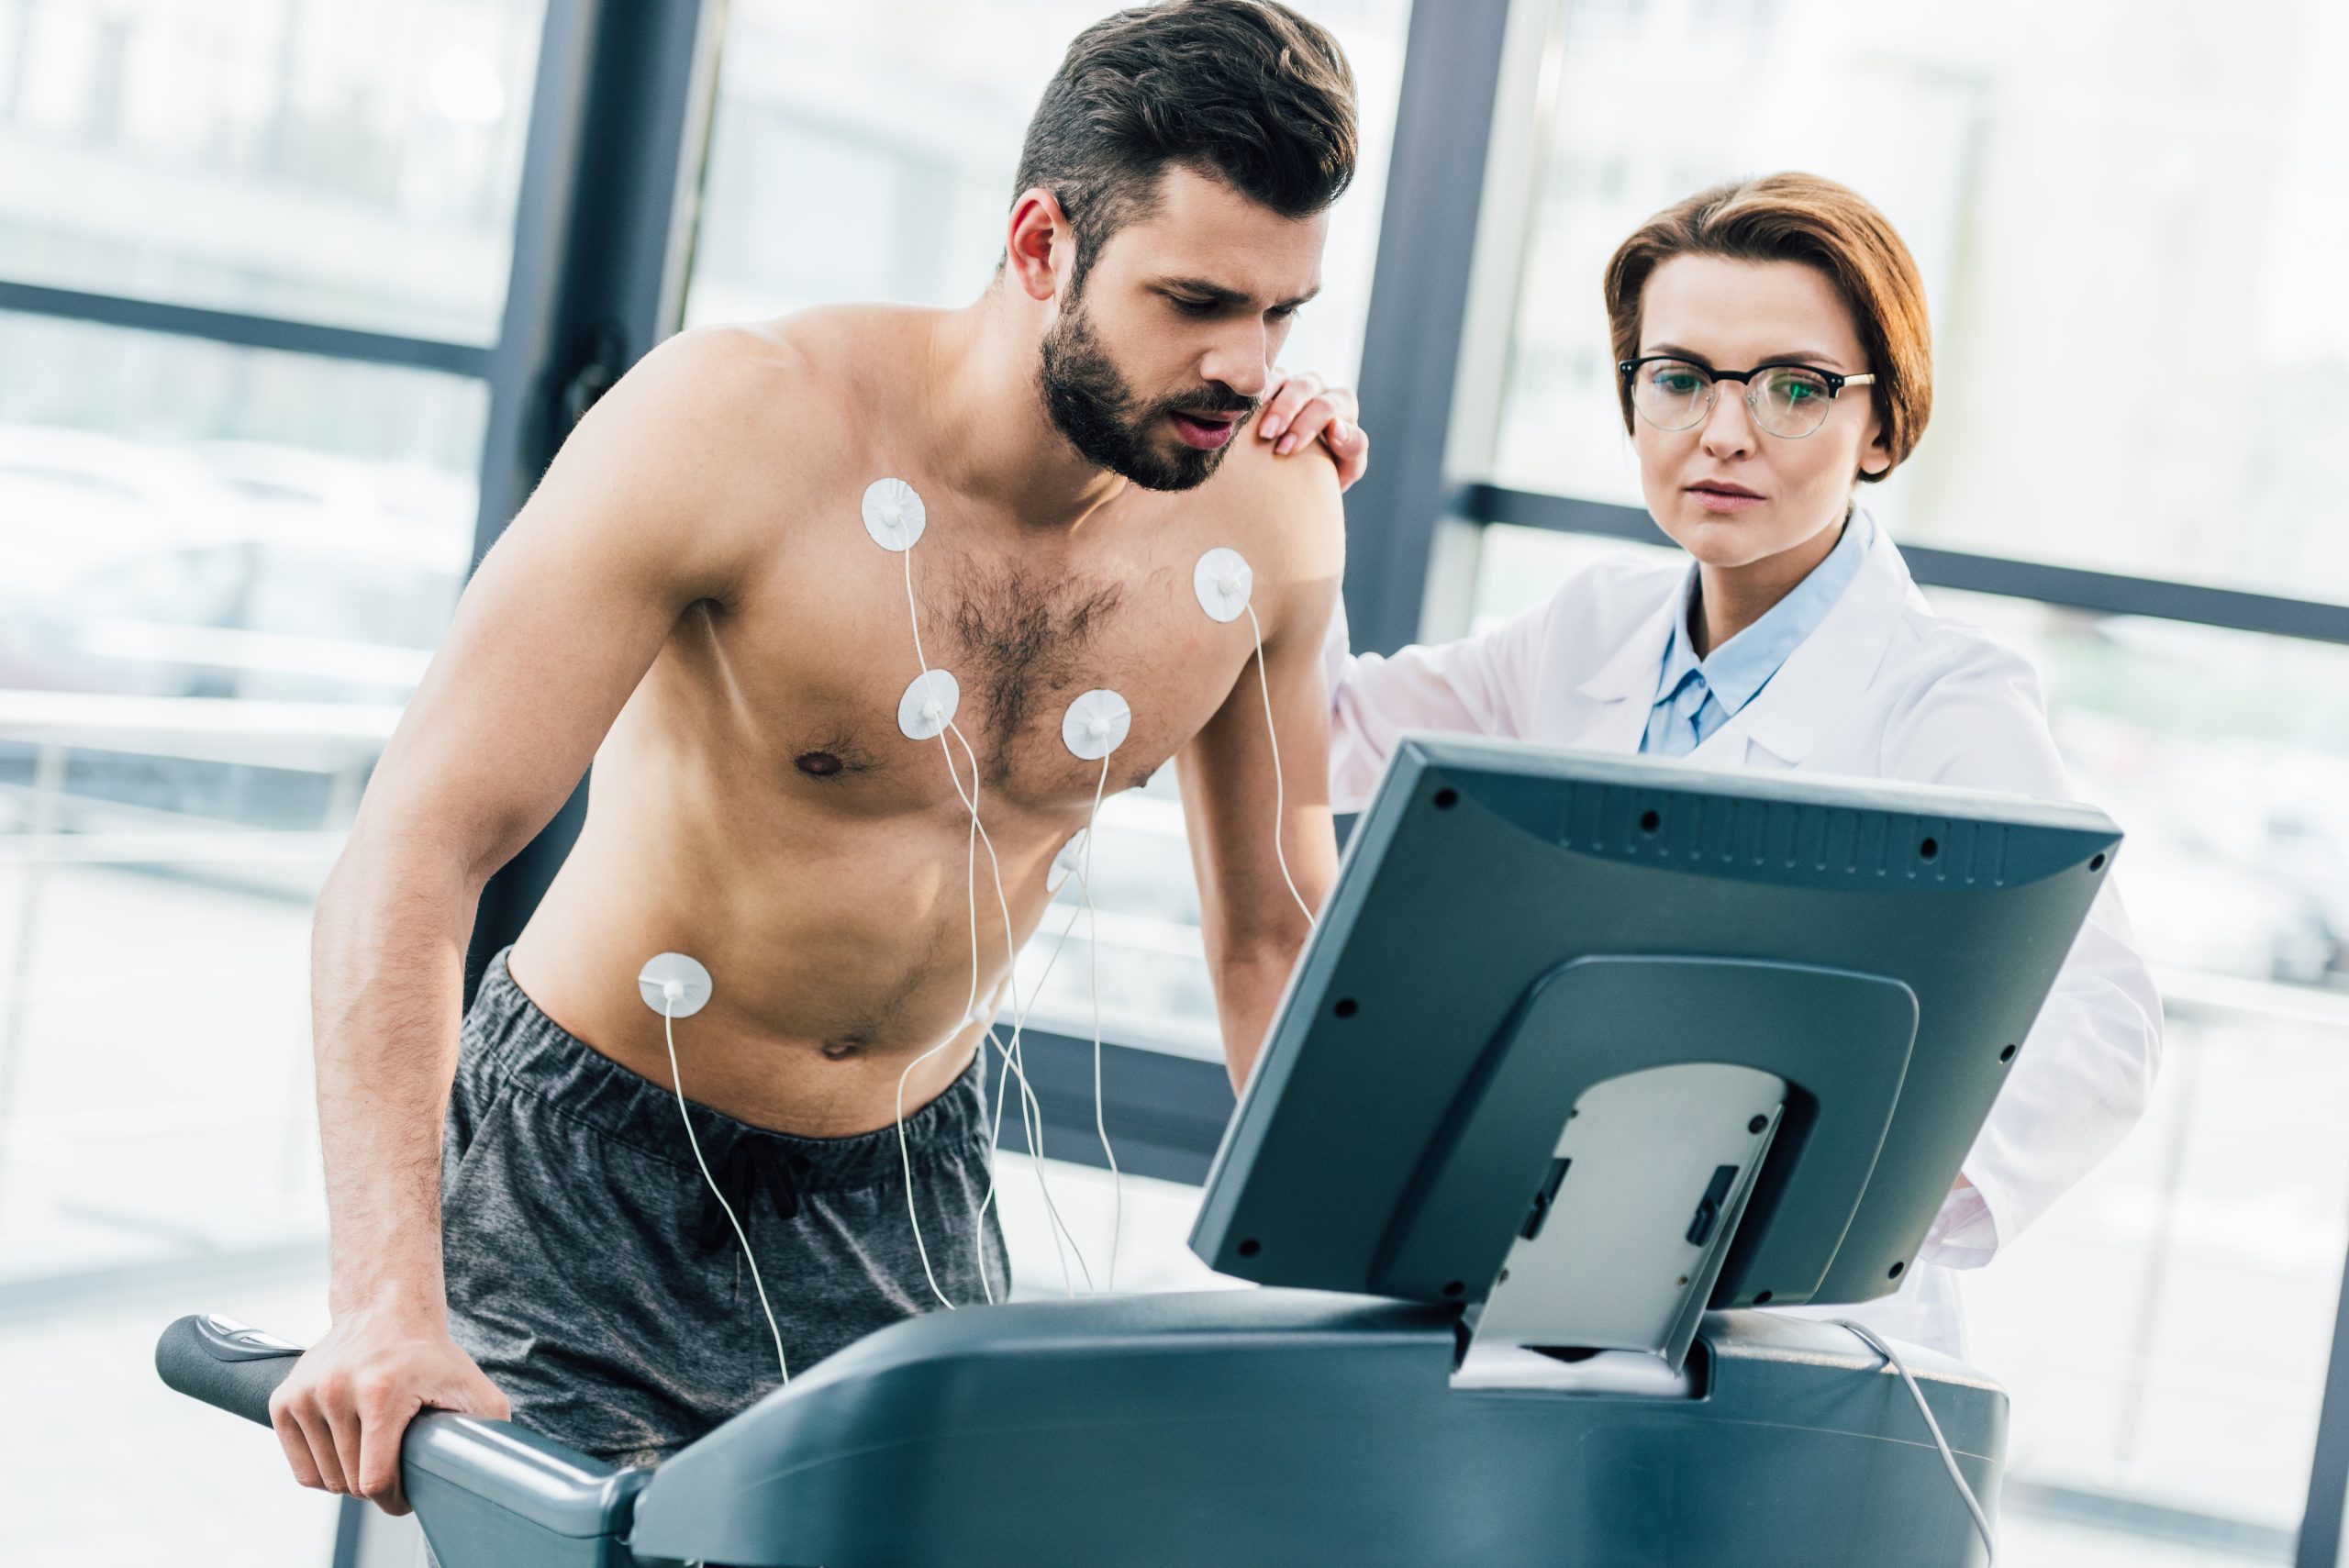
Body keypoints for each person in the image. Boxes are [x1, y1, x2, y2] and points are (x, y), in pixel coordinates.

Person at [274, 0, 1373, 1512]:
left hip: (908, 1187)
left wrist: (1366, 1292)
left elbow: (1275, 935)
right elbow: (414, 848)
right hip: (591, 1170)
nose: (1246, 367)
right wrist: (384, 1296)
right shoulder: (736, 423)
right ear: (1043, 244)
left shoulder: (1277, 509)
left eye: (1283, 315)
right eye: (1196, 301)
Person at [1322, 172, 2162, 1360]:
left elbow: (2108, 1023)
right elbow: (1334, 733)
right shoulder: (1589, 625)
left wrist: (1837, 1211)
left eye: (1793, 387)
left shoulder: (1941, 696)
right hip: (1540, 1273)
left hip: (1795, 1329)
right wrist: (1293, 493)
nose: (1723, 431)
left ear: (1880, 421)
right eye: (1678, 377)